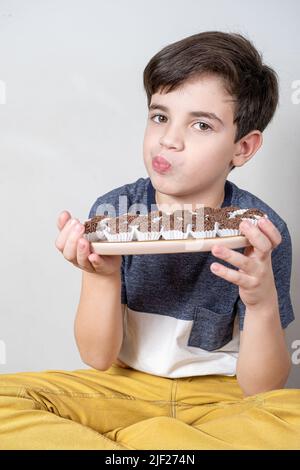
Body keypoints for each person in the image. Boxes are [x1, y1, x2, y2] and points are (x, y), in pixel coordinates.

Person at [0, 30, 299, 450]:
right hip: (123, 392)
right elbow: (97, 358)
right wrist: (100, 276)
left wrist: (261, 300)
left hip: (219, 399)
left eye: (200, 125)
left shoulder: (261, 230)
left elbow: (262, 387)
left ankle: (145, 445)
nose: (169, 139)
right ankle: (164, 445)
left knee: (291, 419)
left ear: (243, 148)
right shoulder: (114, 210)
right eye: (160, 116)